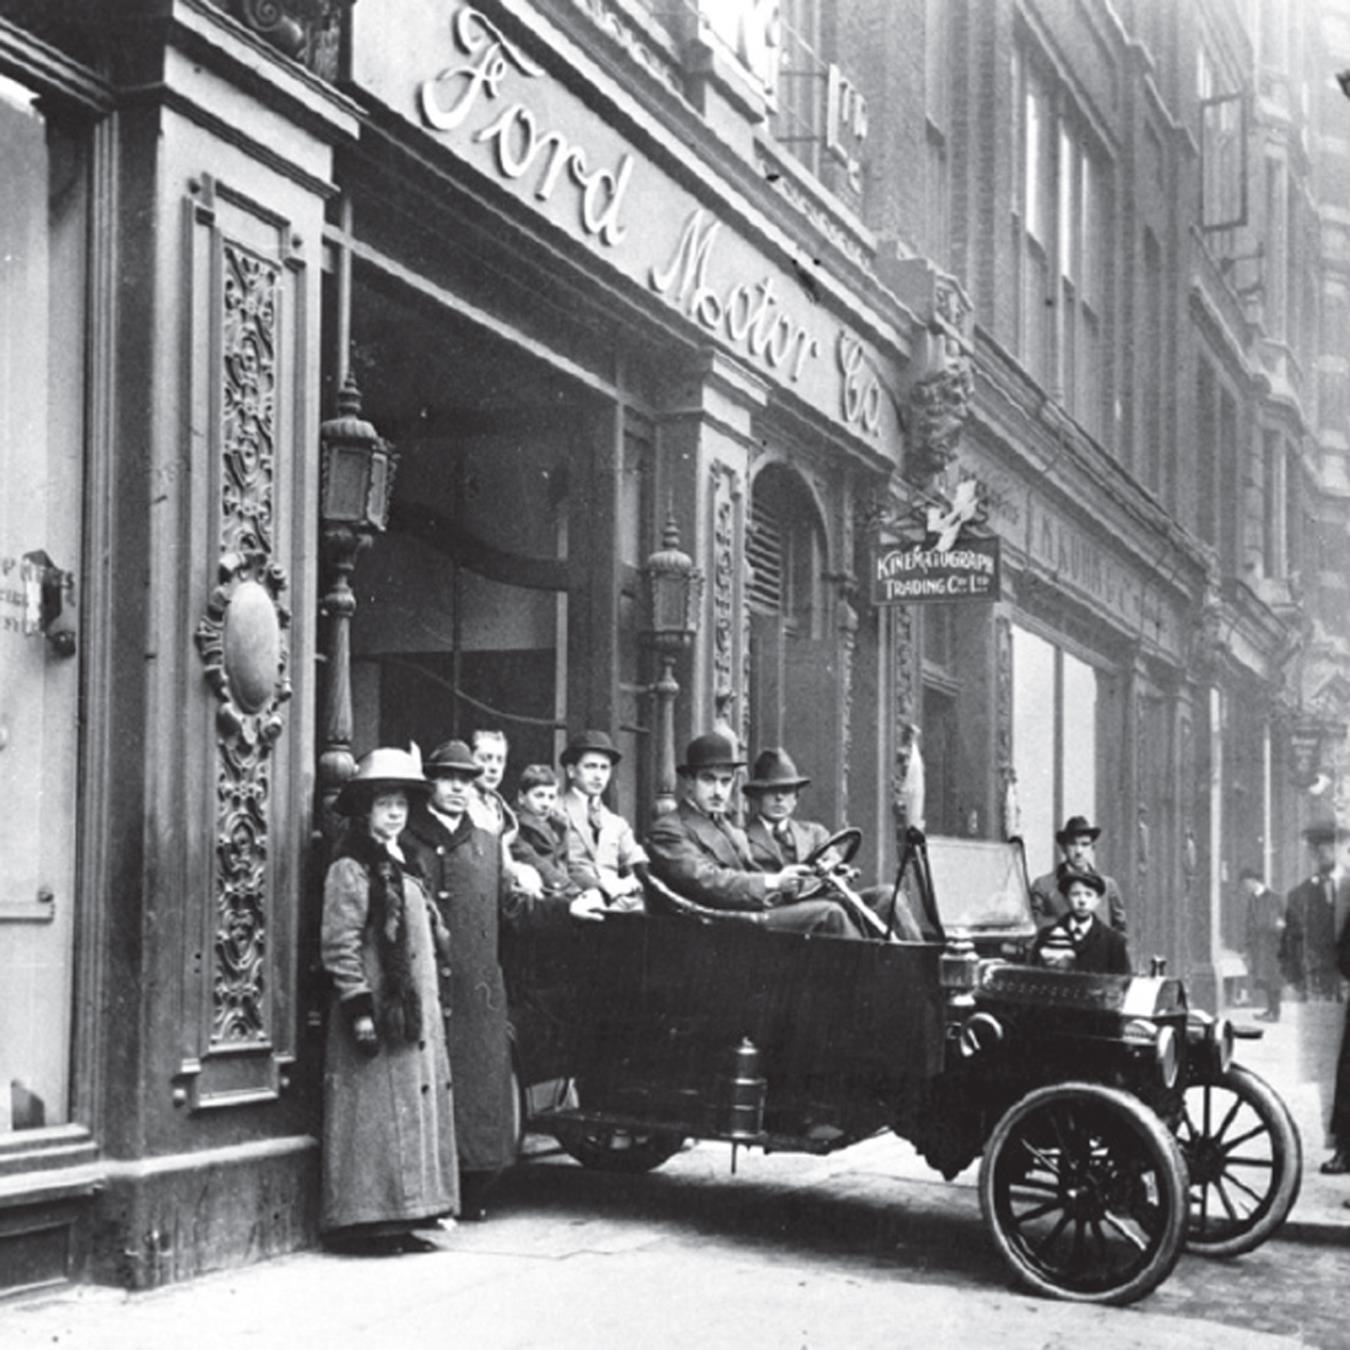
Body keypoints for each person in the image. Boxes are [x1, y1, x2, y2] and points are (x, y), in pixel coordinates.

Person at [319, 747, 457, 1254]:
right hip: (378, 1012)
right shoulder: (352, 866)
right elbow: (340, 943)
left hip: (412, 1013)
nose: (395, 813)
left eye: (400, 803)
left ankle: (405, 1218)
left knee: (410, 1114)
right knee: (375, 1119)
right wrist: (359, 1009)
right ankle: (366, 1224)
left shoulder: (408, 862)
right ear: (365, 811)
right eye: (384, 804)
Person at [402, 739, 520, 1221]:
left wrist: (566, 907)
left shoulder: (487, 845)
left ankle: (474, 1188)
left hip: (477, 990)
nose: (458, 788)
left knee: (476, 1087)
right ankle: (427, 1193)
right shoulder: (407, 840)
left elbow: (510, 909)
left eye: (466, 781)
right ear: (430, 782)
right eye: (449, 778)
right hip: (424, 981)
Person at [644, 731, 867, 937]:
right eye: (708, 779)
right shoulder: (670, 829)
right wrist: (774, 882)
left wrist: (801, 881)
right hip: (716, 927)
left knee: (882, 899)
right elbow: (708, 881)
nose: (718, 791)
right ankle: (876, 977)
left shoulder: (724, 825)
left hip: (747, 914)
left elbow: (751, 872)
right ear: (690, 783)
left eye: (725, 781)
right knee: (829, 914)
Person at [558, 730, 648, 911]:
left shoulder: (616, 823)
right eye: (590, 766)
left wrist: (632, 883)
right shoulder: (555, 810)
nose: (598, 775)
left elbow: (638, 864)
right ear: (571, 771)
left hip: (617, 907)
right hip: (573, 902)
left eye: (604, 768)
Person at [511, 763, 607, 924]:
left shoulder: (557, 826)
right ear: (522, 797)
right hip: (536, 905)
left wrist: (594, 887)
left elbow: (567, 866)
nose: (545, 803)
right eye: (539, 795)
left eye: (551, 797)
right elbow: (538, 863)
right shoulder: (515, 827)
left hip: (560, 897)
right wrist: (574, 892)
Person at [1281, 820, 1346, 1002]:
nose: (1318, 853)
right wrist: (1295, 979)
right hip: (1318, 988)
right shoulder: (1300, 895)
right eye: (1314, 849)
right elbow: (1292, 941)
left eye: (1326, 846)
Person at [1030, 815, 1127, 934]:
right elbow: (1033, 930)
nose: (1079, 851)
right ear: (1063, 848)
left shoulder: (1108, 886)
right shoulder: (1044, 886)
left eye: (1085, 844)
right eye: (1072, 844)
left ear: (1093, 847)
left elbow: (1121, 932)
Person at [742, 748, 832, 869]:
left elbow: (833, 860)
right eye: (771, 790)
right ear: (758, 796)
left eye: (786, 790)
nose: (779, 797)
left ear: (795, 798)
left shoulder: (815, 835)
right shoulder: (742, 838)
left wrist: (831, 866)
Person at [1031, 867, 1131, 975]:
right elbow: (1033, 977)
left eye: (1088, 894)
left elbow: (1124, 984)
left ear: (1097, 900)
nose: (1082, 901)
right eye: (1075, 894)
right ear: (1066, 898)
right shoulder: (1047, 936)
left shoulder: (1113, 942)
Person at [1240, 863, 1285, 1022]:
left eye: (1246, 884)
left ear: (1253, 881)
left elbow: (1284, 919)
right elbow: (1249, 923)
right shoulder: (1252, 899)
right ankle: (1270, 1010)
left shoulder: (1275, 897)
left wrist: (1279, 927)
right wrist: (1247, 946)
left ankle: (1275, 1012)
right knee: (1263, 978)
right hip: (1258, 946)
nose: (1245, 887)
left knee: (1274, 978)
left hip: (1273, 945)